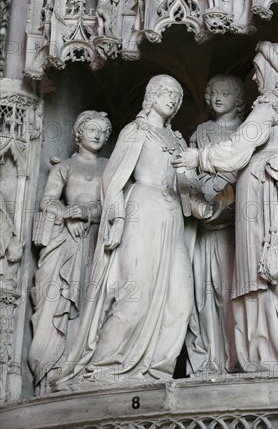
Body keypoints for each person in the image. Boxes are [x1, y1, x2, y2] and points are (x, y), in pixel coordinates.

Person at [173, 42, 278, 374]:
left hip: (270, 196)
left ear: (273, 71)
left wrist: (199, 157)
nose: (255, 79)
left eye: (258, 70)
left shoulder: (273, 101)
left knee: (274, 273)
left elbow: (241, 144)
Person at [51, 75, 211, 388]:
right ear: (151, 95)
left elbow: (188, 188)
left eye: (177, 96)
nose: (173, 99)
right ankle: (107, 366)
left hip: (173, 216)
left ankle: (157, 369)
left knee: (179, 300)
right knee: (133, 291)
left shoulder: (178, 140)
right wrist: (119, 218)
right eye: (166, 93)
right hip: (142, 209)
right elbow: (113, 180)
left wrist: (210, 203)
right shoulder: (136, 131)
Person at [29, 111, 112, 393]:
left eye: (102, 130)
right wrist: (67, 214)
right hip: (66, 243)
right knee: (59, 300)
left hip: (98, 241)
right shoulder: (64, 167)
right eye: (92, 129)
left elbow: (114, 204)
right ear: (79, 133)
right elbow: (48, 200)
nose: (97, 135)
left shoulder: (110, 167)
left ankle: (82, 368)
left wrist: (86, 213)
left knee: (94, 304)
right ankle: (55, 368)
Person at [187, 75, 245, 375]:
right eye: (214, 93)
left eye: (226, 92)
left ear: (239, 99)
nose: (218, 97)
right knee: (202, 293)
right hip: (204, 226)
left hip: (234, 228)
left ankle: (236, 359)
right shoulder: (202, 131)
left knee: (231, 291)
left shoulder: (245, 131)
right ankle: (209, 360)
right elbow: (188, 174)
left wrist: (225, 202)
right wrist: (199, 205)